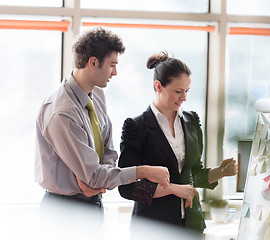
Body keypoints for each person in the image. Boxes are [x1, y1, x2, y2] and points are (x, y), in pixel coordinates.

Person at [34, 27, 169, 239]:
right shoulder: (62, 112)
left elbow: (108, 149)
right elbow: (95, 176)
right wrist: (143, 171)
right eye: (112, 65)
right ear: (93, 63)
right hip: (63, 212)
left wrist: (99, 178)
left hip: (92, 205)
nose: (115, 72)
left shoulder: (97, 94)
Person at [117, 51, 238, 236]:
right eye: (178, 91)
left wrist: (219, 172)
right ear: (159, 86)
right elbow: (126, 188)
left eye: (187, 91)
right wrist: (173, 189)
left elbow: (192, 175)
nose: (184, 98)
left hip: (191, 227)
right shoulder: (136, 127)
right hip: (153, 229)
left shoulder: (191, 122)